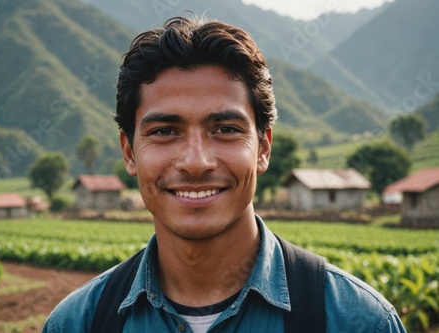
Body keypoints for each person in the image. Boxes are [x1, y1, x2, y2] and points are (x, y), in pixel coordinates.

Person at [42, 16, 406, 333]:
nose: (196, 162)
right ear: (129, 152)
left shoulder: (358, 321)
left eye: (226, 129)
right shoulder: (78, 323)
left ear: (263, 148)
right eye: (165, 131)